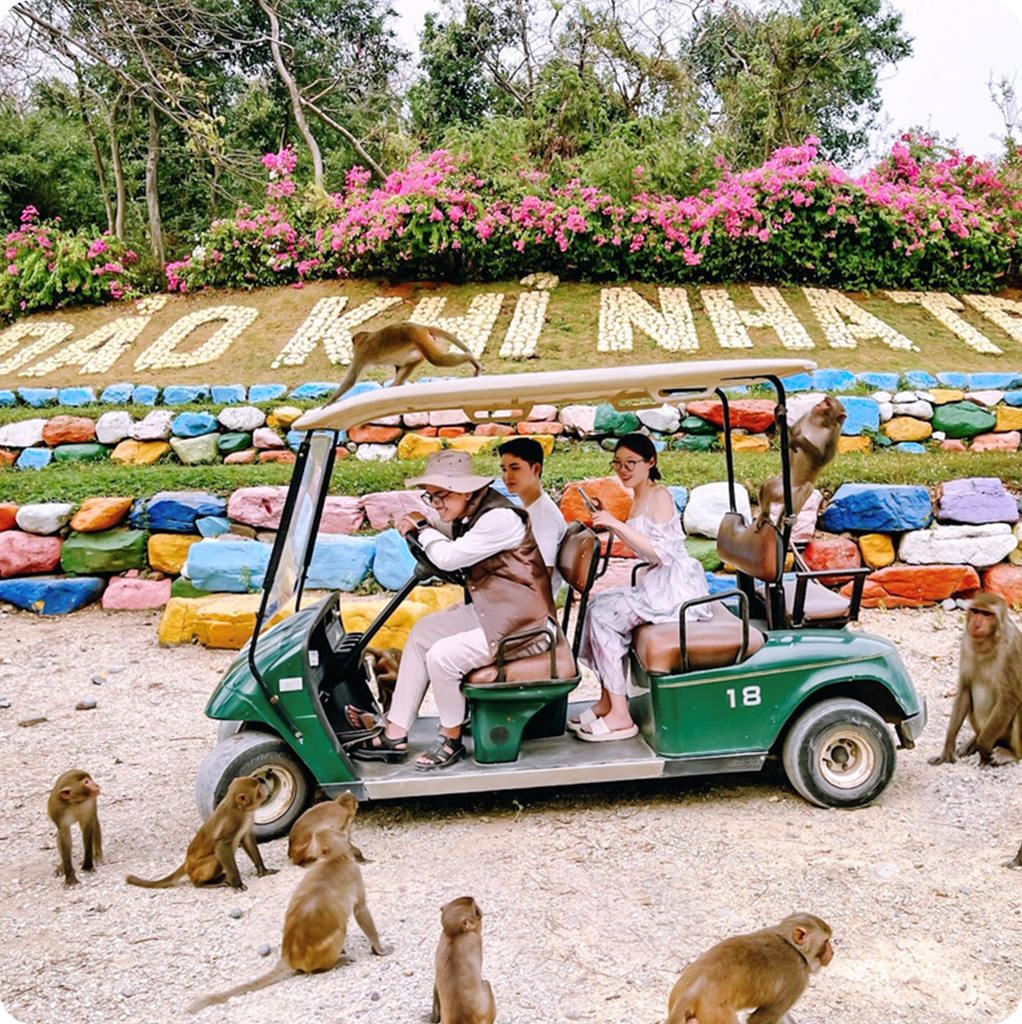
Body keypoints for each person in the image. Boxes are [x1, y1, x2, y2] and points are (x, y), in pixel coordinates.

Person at [350, 449, 557, 771]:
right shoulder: (472, 515)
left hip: (525, 626)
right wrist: (422, 525)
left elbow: (448, 557)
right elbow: (441, 530)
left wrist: (423, 529)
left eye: (441, 496)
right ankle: (395, 731)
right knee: (422, 634)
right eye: (430, 497)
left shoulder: (499, 519)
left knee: (442, 655)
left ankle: (451, 737)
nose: (436, 504)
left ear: (465, 491)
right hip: (498, 612)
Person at [573, 432, 710, 742]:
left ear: (651, 461)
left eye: (631, 463)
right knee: (597, 605)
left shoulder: (659, 495)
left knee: (605, 616)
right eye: (618, 463)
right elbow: (642, 546)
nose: (623, 470)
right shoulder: (639, 494)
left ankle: (621, 715)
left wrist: (614, 523)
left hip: (673, 590)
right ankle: (609, 698)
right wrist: (607, 514)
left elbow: (659, 552)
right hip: (656, 583)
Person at [498, 437, 567, 591]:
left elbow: (541, 576)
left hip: (525, 605)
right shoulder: (532, 508)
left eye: (515, 468)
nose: (507, 476)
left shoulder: (543, 517)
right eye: (504, 469)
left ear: (535, 470)